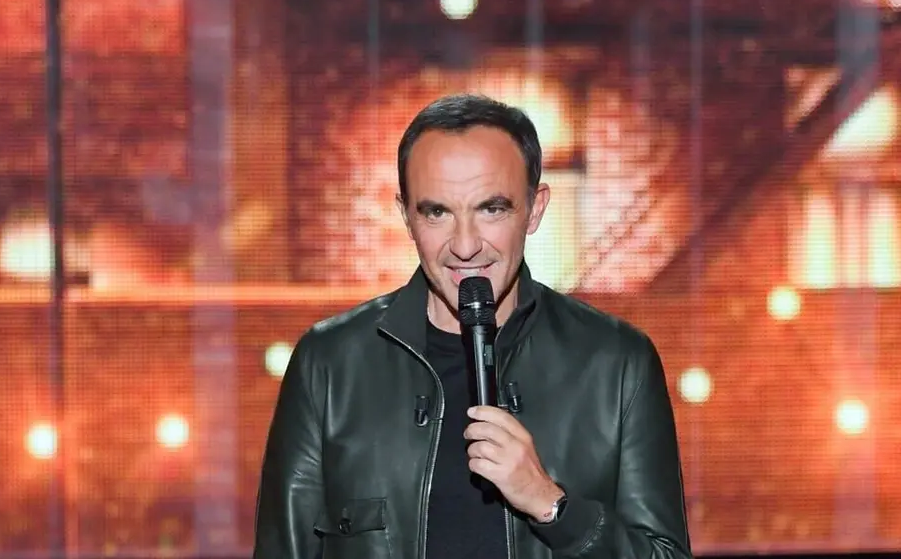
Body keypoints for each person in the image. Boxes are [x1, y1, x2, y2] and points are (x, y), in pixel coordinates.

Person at [253, 93, 694, 559]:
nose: (465, 246)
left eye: (491, 209)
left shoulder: (617, 363)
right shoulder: (329, 363)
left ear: (535, 209)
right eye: (437, 212)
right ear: (407, 217)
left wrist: (551, 505)